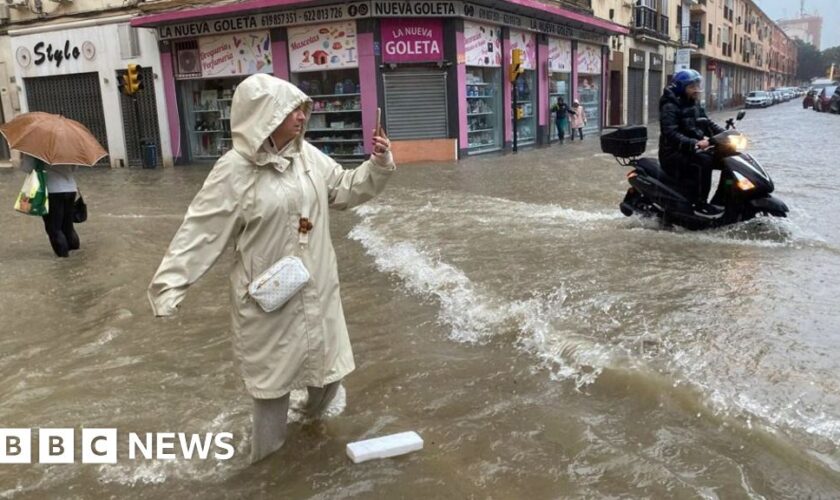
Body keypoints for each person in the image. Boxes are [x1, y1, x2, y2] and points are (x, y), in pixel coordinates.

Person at [147, 73, 396, 463]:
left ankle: (308, 436)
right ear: (265, 115)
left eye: (302, 109)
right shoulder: (234, 171)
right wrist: (170, 286)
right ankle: (266, 470)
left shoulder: (308, 157)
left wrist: (378, 164)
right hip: (268, 300)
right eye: (291, 110)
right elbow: (200, 230)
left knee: (328, 374)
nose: (301, 116)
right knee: (271, 390)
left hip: (317, 288)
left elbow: (344, 188)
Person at [658, 69, 725, 214]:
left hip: (689, 150)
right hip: (672, 154)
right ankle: (700, 204)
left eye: (697, 85)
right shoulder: (670, 106)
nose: (696, 90)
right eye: (692, 86)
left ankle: (724, 199)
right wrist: (694, 143)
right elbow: (670, 133)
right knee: (705, 161)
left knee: (725, 157)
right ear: (682, 88)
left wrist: (725, 134)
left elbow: (706, 123)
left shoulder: (694, 103)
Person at [19, 154, 80, 258]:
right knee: (68, 225)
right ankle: (75, 255)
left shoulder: (36, 149)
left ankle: (63, 259)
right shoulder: (68, 147)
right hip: (70, 188)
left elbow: (27, 168)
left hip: (51, 190)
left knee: (54, 228)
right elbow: (74, 168)